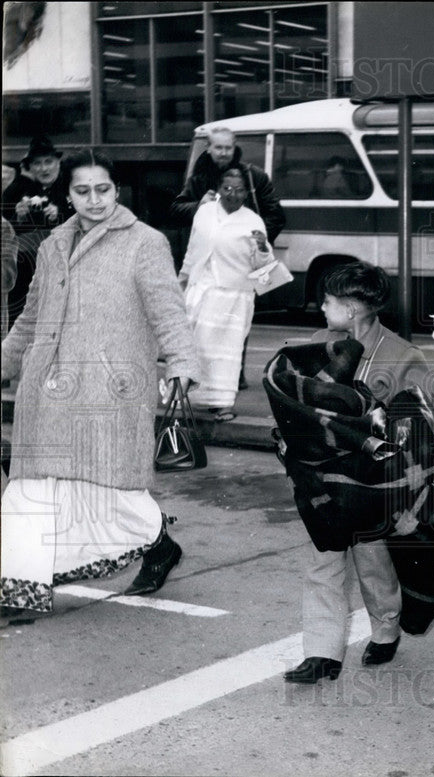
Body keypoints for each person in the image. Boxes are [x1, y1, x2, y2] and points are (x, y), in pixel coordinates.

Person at [0, 149, 199, 624]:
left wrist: (181, 362)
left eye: (103, 189)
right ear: (67, 195)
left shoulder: (145, 242)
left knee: (114, 492)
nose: (94, 200)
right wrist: (5, 361)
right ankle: (20, 591)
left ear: (117, 190)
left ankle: (160, 545)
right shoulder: (51, 246)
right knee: (30, 489)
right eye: (83, 191)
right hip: (45, 389)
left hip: (109, 390)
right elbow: (32, 316)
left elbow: (168, 310)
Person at [284, 260, 430, 684]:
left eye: (327, 301)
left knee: (373, 560)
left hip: (375, 482)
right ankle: (322, 654)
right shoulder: (316, 344)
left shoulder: (404, 356)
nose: (321, 308)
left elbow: (418, 429)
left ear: (351, 310)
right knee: (322, 559)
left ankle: (386, 627)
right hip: (323, 478)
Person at [170, 127, 285, 390]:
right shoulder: (198, 178)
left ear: (235, 148)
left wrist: (253, 240)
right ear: (208, 148)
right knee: (199, 322)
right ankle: (202, 379)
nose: (223, 153)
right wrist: (197, 205)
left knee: (236, 323)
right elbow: (176, 208)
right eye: (218, 147)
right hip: (207, 266)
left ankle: (234, 377)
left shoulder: (254, 177)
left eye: (228, 148)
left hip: (238, 264)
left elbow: (276, 214)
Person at [178, 166, 273, 421]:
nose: (233, 195)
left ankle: (222, 405)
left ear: (247, 192)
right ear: (218, 189)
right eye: (227, 189)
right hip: (201, 291)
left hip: (233, 297)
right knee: (195, 349)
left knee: (225, 355)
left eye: (239, 190)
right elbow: (193, 250)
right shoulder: (205, 213)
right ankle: (190, 401)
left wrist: (262, 247)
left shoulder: (253, 221)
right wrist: (183, 282)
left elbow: (265, 267)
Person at [1, 135, 73, 327]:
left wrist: (60, 213)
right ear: (30, 167)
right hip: (29, 266)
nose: (44, 168)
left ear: (58, 162)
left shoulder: (70, 186)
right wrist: (18, 216)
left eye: (49, 162)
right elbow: (5, 226)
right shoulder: (21, 188)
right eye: (37, 164)